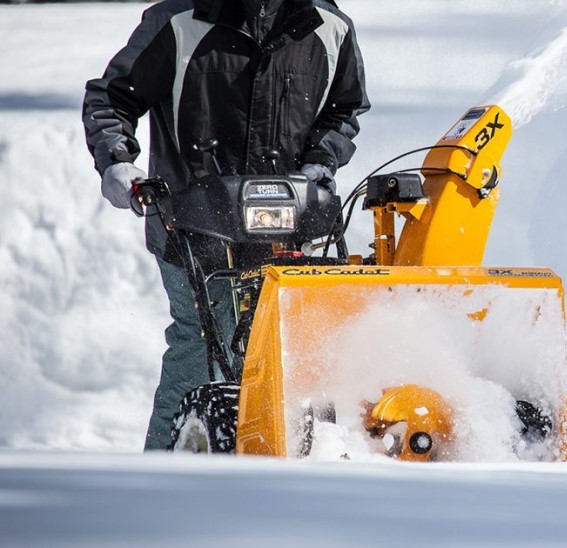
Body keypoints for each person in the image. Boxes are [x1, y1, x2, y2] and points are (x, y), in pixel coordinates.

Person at [82, 0, 370, 450]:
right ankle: (165, 467)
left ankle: (303, 464)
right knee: (200, 346)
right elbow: (112, 98)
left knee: (296, 353)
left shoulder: (329, 27)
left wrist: (320, 161)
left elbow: (344, 109)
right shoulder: (179, 21)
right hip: (193, 225)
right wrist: (118, 162)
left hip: (287, 227)